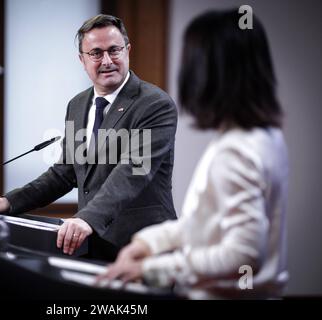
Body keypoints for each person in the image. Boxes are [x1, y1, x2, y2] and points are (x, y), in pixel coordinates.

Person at [98, 9, 289, 299]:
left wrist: (153, 269)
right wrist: (151, 242)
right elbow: (208, 223)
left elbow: (243, 256)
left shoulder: (236, 151)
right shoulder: (265, 137)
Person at [0, 14, 177, 261]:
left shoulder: (154, 104)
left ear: (128, 51)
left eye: (114, 50)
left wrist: (86, 218)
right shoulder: (78, 105)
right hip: (91, 243)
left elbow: (133, 172)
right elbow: (66, 172)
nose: (107, 61)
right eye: (96, 53)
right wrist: (11, 201)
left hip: (143, 244)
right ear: (82, 60)